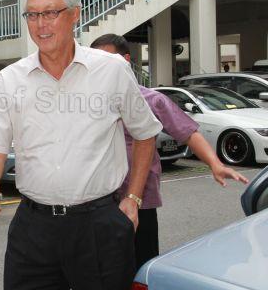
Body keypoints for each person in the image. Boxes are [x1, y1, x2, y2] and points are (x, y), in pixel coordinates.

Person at [0, 0, 163, 290]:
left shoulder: (112, 71)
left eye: (50, 13)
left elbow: (146, 132)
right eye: (31, 15)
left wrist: (133, 199)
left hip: (99, 225)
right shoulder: (9, 80)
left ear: (75, 14)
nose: (40, 24)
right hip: (33, 226)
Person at [90, 33, 249, 269]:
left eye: (107, 60)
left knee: (141, 262)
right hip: (100, 199)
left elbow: (187, 131)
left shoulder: (151, 99)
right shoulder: (90, 101)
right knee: (103, 266)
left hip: (139, 198)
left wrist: (215, 164)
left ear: (125, 60)